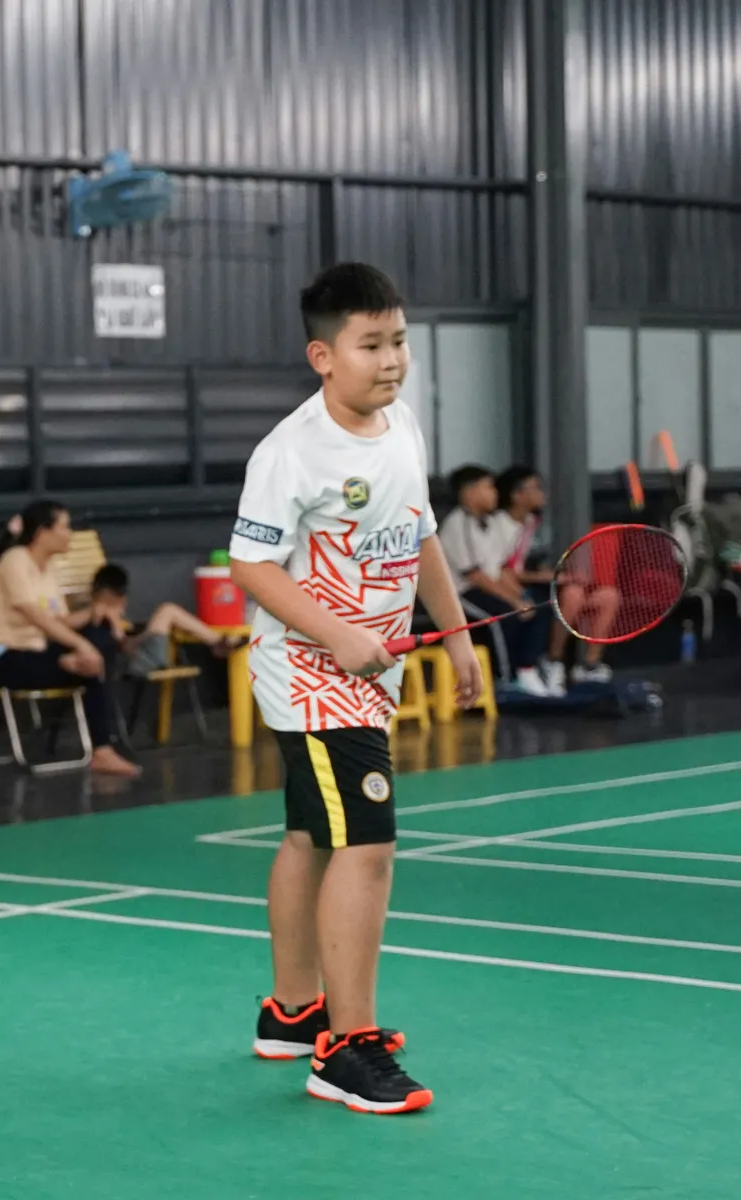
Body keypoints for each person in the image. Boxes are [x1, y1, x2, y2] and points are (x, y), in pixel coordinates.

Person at [228, 262, 480, 1115]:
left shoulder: (400, 424)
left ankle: (293, 1012)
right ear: (323, 356)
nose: (392, 360)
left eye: (400, 341)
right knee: (368, 845)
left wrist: (457, 637)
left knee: (311, 835)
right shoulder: (289, 452)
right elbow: (251, 565)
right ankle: (347, 1048)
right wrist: (337, 635)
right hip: (313, 676)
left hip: (375, 671)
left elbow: (420, 534)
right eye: (371, 345)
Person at [0, 499, 140, 777]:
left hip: (38, 651)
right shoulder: (15, 560)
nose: (69, 534)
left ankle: (103, 749)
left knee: (100, 638)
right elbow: (36, 616)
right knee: (89, 652)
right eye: (64, 527)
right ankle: (70, 671)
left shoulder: (48, 570)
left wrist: (96, 611)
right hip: (0, 657)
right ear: (42, 532)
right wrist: (80, 645)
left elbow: (60, 622)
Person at [494, 464, 617, 689]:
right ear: (516, 495)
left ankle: (589, 665)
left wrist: (560, 575)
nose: (542, 493)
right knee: (572, 595)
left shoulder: (532, 523)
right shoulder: (499, 525)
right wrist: (555, 579)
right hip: (516, 588)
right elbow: (504, 572)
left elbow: (532, 564)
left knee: (609, 597)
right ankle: (553, 661)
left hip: (541, 583)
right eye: (535, 487)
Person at [436, 465, 554, 696]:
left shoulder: (489, 524)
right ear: (469, 492)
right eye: (488, 487)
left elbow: (499, 570)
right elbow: (475, 575)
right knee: (501, 617)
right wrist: (513, 602)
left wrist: (521, 597)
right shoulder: (458, 523)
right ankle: (505, 681)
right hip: (460, 593)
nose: (495, 493)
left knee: (539, 606)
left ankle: (527, 669)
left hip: (486, 588)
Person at [78, 563, 243, 676]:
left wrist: (137, 635)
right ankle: (217, 642)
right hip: (138, 659)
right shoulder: (100, 613)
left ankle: (217, 641)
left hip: (139, 652)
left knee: (168, 610)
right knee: (168, 610)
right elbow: (120, 643)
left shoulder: (101, 610)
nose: (123, 603)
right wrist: (114, 620)